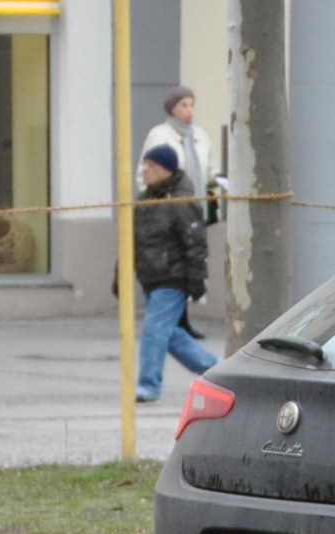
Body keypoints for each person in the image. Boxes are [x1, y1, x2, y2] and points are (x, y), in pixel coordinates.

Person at [133, 144, 215, 404]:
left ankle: (149, 385)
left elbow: (195, 243)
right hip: (151, 278)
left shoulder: (181, 201)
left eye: (152, 165)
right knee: (171, 336)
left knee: (154, 331)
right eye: (145, 164)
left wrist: (196, 279)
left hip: (173, 278)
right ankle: (217, 371)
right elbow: (132, 240)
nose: (145, 170)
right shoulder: (144, 200)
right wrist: (120, 273)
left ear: (166, 169)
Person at [142, 84, 213, 215]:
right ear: (172, 109)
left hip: (199, 206)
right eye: (184, 105)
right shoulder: (159, 134)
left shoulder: (201, 135)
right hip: (168, 208)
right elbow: (146, 172)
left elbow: (210, 170)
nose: (189, 109)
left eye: (192, 105)